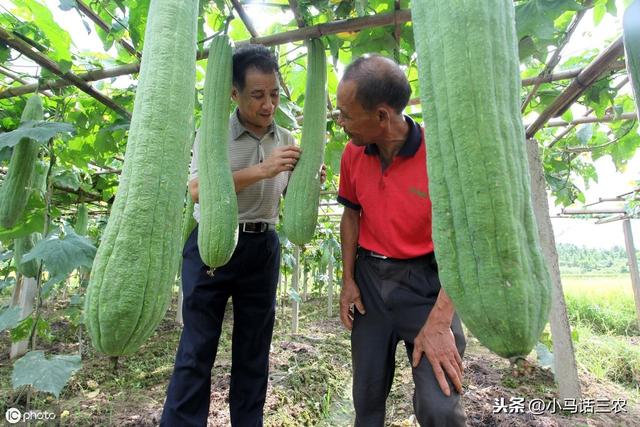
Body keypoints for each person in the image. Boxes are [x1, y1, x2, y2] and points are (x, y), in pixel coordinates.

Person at [161, 45, 315, 427]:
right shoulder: (213, 132)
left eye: (274, 94)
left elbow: (286, 193)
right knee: (197, 348)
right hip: (213, 241)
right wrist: (262, 170)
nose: (268, 104)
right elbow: (197, 190)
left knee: (253, 349)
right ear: (234, 94)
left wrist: (307, 181)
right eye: (258, 95)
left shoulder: (288, 137)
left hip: (262, 246)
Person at [336, 54, 467, 426]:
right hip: (370, 287)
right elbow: (351, 213)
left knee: (440, 408)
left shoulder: (440, 156)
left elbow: (463, 241)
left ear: (381, 116)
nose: (340, 121)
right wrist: (348, 280)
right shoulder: (352, 153)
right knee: (367, 398)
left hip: (428, 286)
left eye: (346, 114)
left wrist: (441, 321)